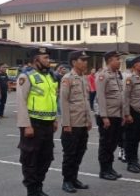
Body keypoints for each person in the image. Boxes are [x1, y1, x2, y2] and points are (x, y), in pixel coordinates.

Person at [16, 47, 58, 196]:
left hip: (47, 123)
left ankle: (39, 186)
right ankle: (32, 190)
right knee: (30, 158)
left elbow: (52, 99)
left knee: (46, 157)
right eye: (45, 58)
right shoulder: (26, 76)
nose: (49, 60)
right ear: (36, 60)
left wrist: (54, 119)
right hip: (33, 124)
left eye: (48, 57)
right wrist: (26, 125)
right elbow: (21, 102)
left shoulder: (49, 76)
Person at [60, 50, 92, 193]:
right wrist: (66, 123)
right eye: (82, 60)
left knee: (80, 151)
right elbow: (64, 101)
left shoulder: (84, 78)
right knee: (70, 153)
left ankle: (74, 178)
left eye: (86, 60)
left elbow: (86, 101)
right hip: (72, 124)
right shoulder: (68, 78)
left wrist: (89, 120)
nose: (85, 62)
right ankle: (67, 181)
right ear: (74, 62)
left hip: (83, 122)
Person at [95, 51, 124, 181]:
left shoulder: (117, 75)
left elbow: (120, 96)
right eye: (117, 59)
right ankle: (103, 170)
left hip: (116, 115)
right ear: (110, 61)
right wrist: (104, 117)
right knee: (105, 144)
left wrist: (123, 114)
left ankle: (109, 167)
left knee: (112, 143)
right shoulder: (103, 75)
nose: (119, 61)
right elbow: (100, 97)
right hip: (107, 115)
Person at [123, 55, 140, 173]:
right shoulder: (129, 78)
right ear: (135, 65)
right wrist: (127, 114)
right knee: (131, 138)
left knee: (137, 137)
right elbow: (126, 97)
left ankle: (135, 160)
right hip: (133, 111)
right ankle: (130, 162)